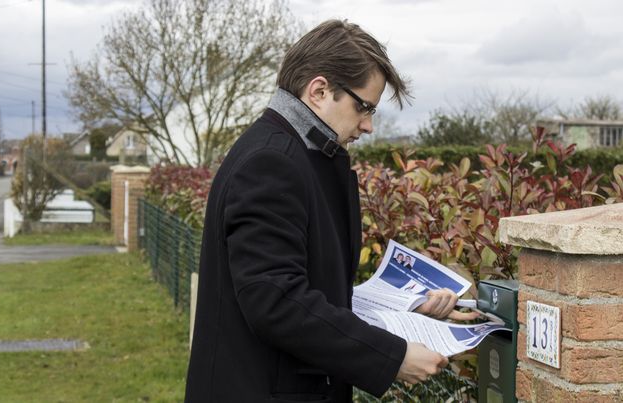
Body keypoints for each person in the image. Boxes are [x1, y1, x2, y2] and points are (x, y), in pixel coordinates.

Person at [185, 19, 477, 403]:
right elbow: (275, 300)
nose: (369, 125)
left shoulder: (292, 154)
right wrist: (392, 357)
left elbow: (299, 285)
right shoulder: (272, 162)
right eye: (364, 107)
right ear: (319, 90)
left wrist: (404, 307)